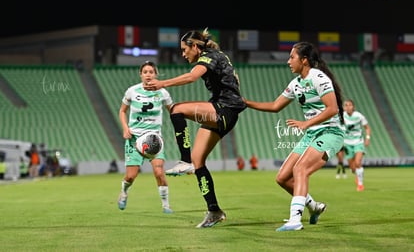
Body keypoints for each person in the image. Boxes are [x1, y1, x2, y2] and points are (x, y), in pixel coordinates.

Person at [145, 28, 247, 228]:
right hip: (225, 110)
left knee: (177, 109)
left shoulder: (210, 56)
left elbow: (192, 77)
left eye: (185, 50)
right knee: (199, 162)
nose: (183, 54)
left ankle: (184, 161)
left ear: (195, 46)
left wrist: (161, 84)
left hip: (224, 110)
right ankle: (214, 210)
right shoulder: (215, 56)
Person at [243, 41, 345, 231]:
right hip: (311, 134)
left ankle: (295, 220)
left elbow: (333, 109)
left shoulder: (318, 77)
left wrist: (306, 123)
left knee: (300, 170)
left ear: (304, 60)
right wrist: (246, 102)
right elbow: (275, 106)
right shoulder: (296, 83)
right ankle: (313, 207)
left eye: (292, 57)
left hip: (330, 132)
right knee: (282, 178)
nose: (288, 61)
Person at [117, 61, 174, 214]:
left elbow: (173, 111)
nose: (148, 74)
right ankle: (124, 192)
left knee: (159, 172)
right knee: (131, 176)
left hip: (154, 139)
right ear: (140, 75)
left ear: (156, 74)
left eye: (151, 72)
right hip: (134, 138)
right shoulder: (132, 91)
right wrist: (125, 129)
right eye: (145, 72)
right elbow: (122, 111)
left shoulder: (162, 92)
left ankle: (166, 205)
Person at [336, 99, 371, 191]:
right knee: (352, 168)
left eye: (350, 105)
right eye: (346, 105)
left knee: (358, 162)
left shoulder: (359, 116)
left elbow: (367, 128)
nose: (348, 107)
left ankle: (360, 184)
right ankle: (357, 175)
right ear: (343, 107)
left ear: (353, 106)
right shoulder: (341, 116)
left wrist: (367, 138)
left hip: (358, 142)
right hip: (347, 143)